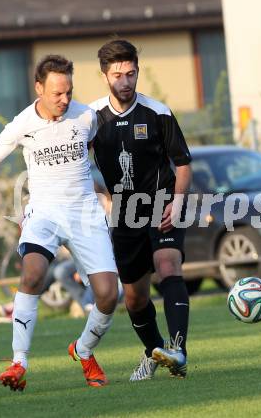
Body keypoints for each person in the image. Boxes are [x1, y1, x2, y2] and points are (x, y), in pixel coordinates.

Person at [0, 55, 119, 391]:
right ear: (39, 88)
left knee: (108, 295)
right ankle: (19, 360)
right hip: (44, 213)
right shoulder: (22, 124)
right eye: (56, 94)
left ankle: (84, 350)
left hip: (85, 215)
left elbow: (95, 157)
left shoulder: (86, 116)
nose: (64, 100)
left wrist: (106, 190)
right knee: (32, 273)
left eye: (68, 92)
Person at [89, 40, 192, 381]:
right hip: (122, 214)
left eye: (131, 73)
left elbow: (183, 163)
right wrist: (98, 195)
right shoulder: (90, 119)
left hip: (161, 202)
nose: (126, 82)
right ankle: (154, 351)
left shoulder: (158, 112)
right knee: (134, 298)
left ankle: (178, 350)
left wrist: (177, 203)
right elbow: (75, 168)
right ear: (105, 75)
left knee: (167, 263)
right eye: (118, 75)